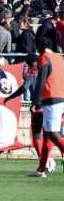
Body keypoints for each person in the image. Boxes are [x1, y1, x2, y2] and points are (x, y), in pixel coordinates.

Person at [28, 36, 64, 177]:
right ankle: (40, 170)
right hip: (61, 97)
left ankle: (41, 170)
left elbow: (40, 82)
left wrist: (34, 102)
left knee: (54, 135)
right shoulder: (58, 57)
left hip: (51, 98)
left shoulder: (43, 58)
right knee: (48, 136)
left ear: (39, 47)